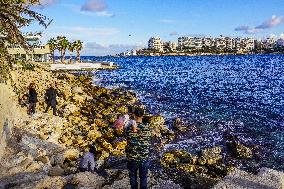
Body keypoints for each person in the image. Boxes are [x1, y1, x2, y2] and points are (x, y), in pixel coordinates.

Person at [125, 107, 152, 189]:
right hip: (144, 158)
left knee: (133, 177)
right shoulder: (148, 128)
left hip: (132, 158)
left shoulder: (128, 129)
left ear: (133, 115)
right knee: (143, 179)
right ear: (143, 115)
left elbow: (125, 132)